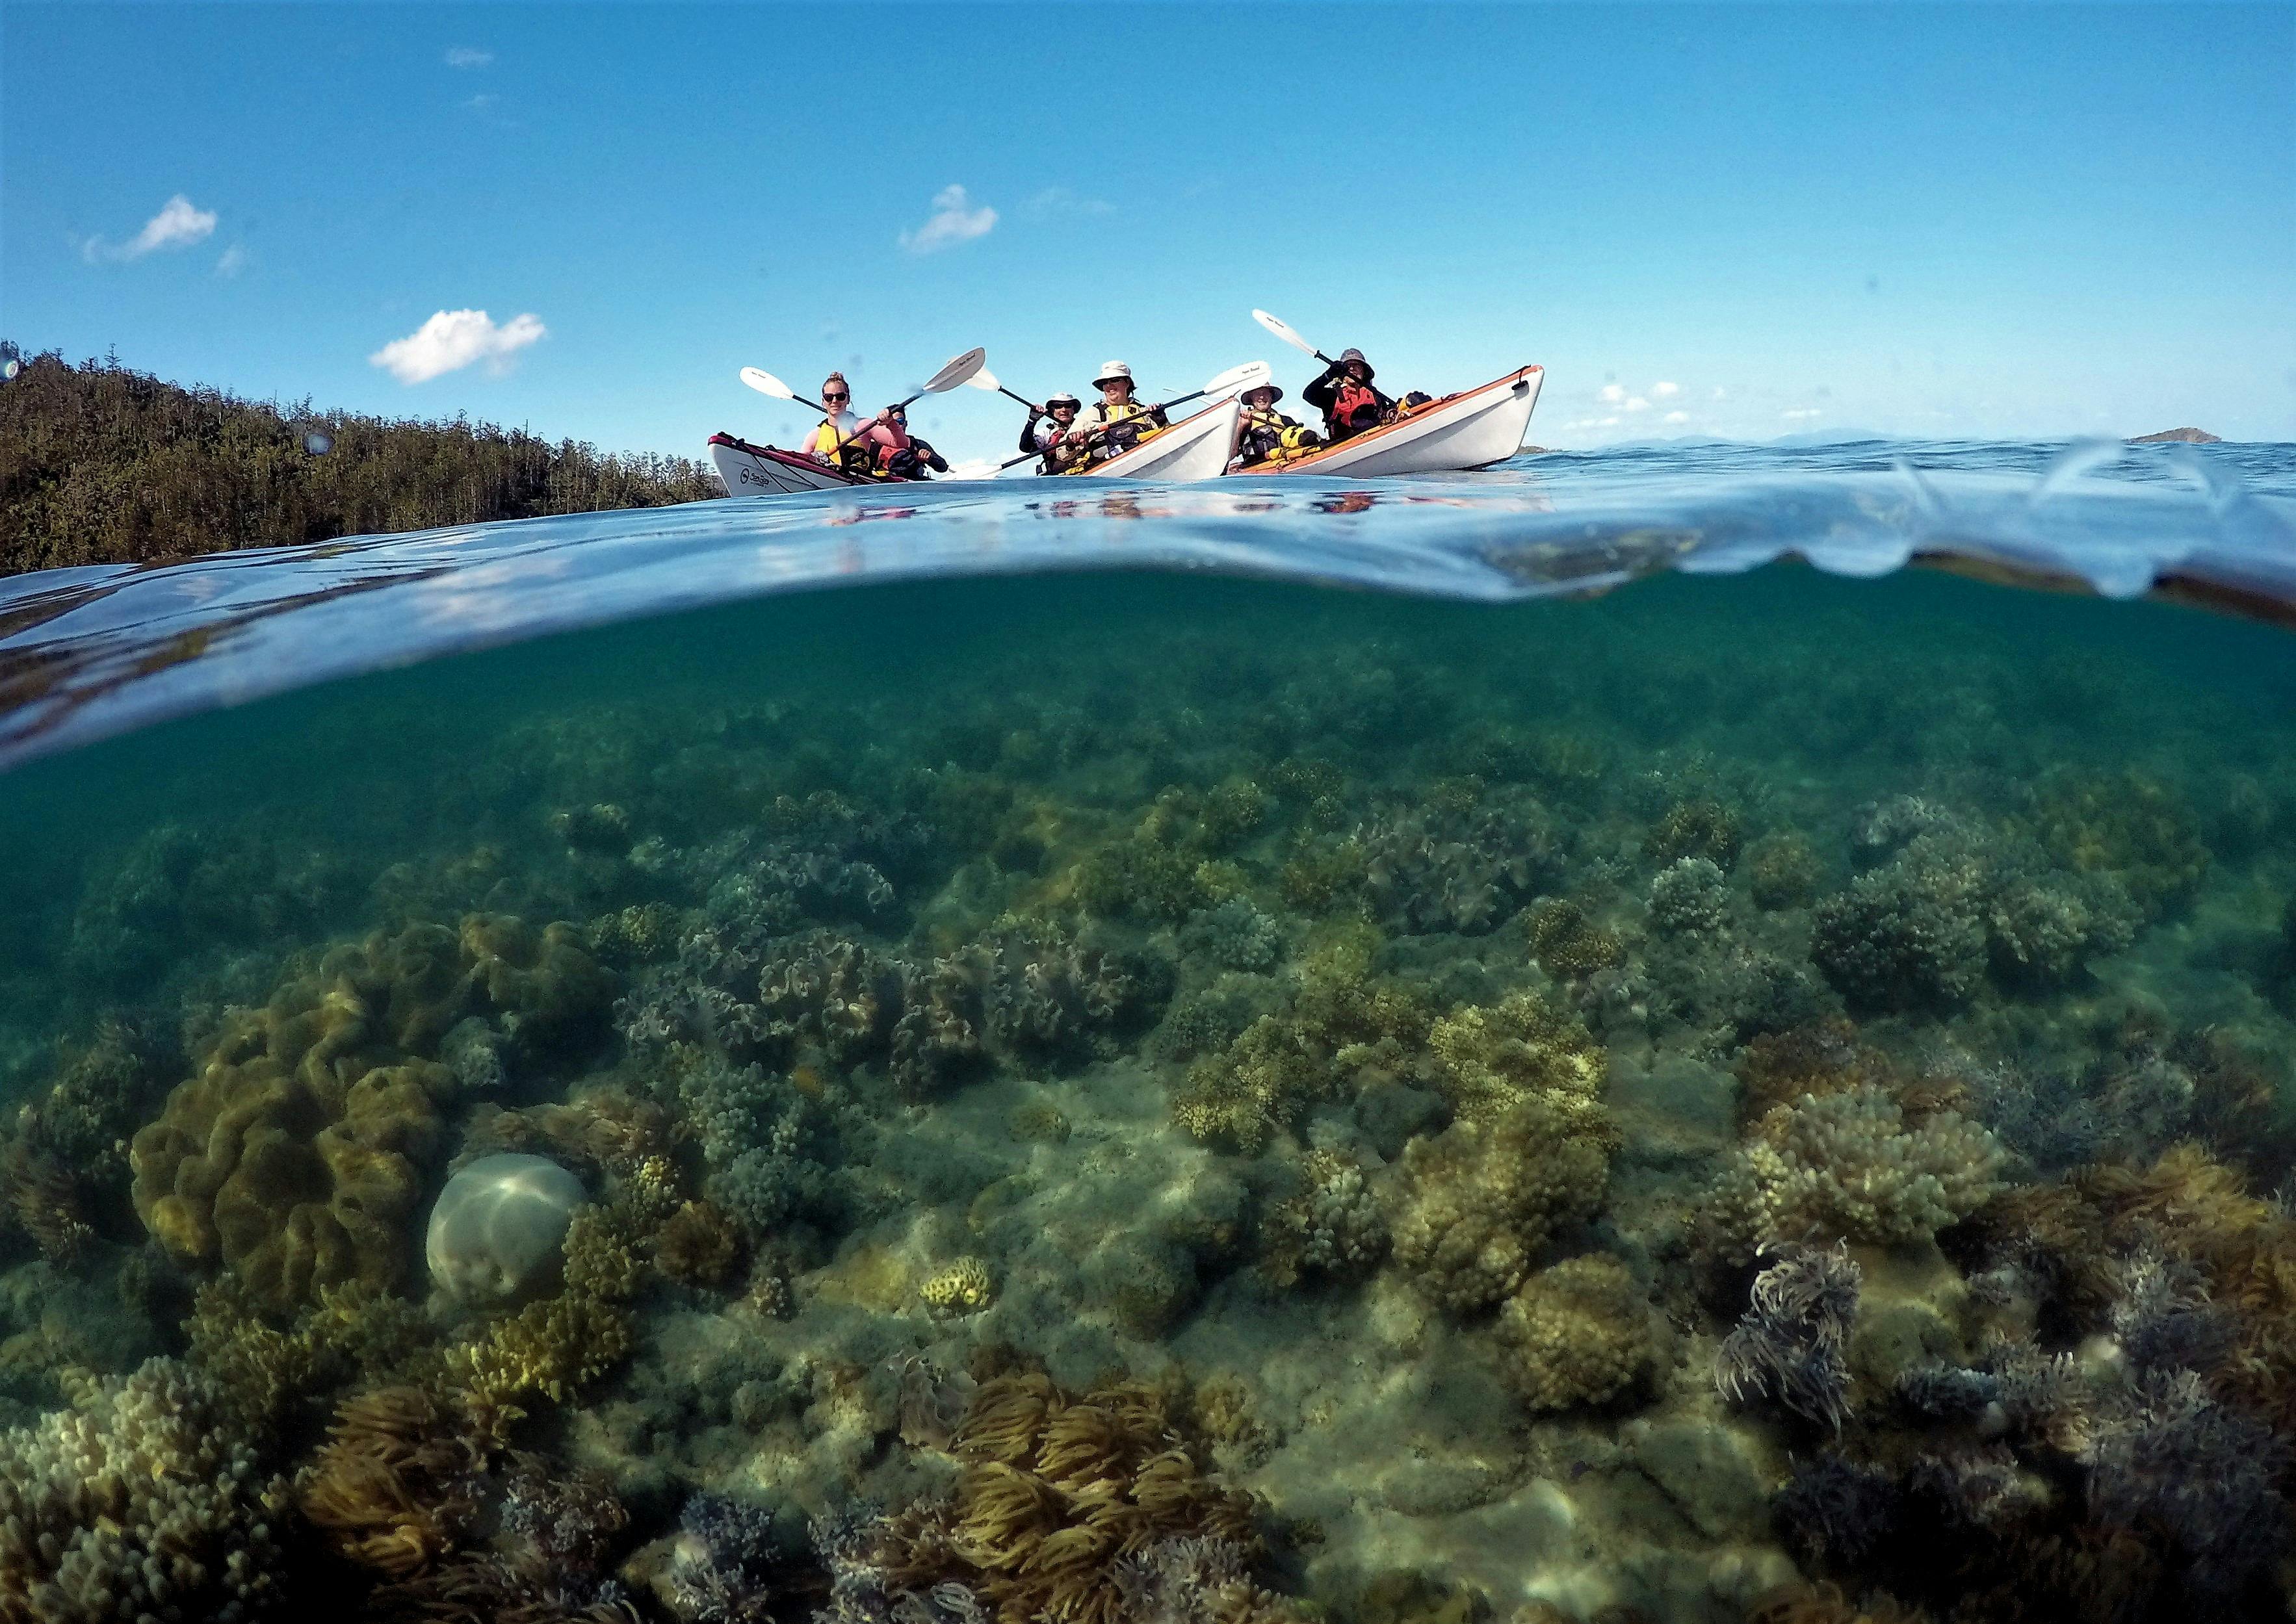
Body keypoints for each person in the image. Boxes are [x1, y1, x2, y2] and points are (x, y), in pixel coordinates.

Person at [1070, 361, 1168, 465]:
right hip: (1104, 471)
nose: (1109, 385)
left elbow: (1168, 440)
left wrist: (1161, 420)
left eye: (1115, 380)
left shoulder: (1145, 412)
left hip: (1145, 461)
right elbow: (1062, 454)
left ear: (1127, 383)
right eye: (1105, 382)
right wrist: (1071, 443)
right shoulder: (1091, 414)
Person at [1303, 348, 1395, 443]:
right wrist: (1328, 375)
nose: (1352, 369)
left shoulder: (1375, 396)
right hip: (1345, 447)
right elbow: (1308, 394)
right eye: (1347, 366)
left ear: (1364, 371)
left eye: (1356, 365)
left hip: (1375, 440)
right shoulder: (1332, 396)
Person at [1230, 381, 1319, 469]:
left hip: (1283, 466)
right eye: (1257, 394)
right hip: (1255, 472)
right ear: (1252, 399)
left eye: (1265, 393)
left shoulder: (1286, 421)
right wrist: (1241, 426)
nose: (1262, 397)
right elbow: (1231, 455)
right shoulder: (1244, 424)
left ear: (1271, 397)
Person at [854, 404, 949, 480]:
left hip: (914, 485)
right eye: (893, 422)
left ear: (906, 423)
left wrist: (930, 458)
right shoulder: (876, 447)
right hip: (886, 485)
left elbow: (943, 468)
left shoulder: (917, 444)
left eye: (900, 421)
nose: (896, 425)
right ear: (885, 424)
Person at [1019, 392, 1088, 474]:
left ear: (1074, 410)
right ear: (1052, 411)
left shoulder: (1085, 425)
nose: (1064, 410)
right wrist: (1032, 421)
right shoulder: (1047, 433)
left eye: (1068, 406)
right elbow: (1026, 447)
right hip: (1061, 479)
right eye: (1058, 407)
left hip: (1089, 469)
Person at [805, 372, 863, 467]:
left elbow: (896, 442)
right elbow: (802, 464)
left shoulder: (863, 425)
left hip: (861, 479)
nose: (835, 401)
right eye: (829, 397)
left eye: (840, 397)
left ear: (848, 399)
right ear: (823, 401)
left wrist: (890, 423)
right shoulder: (814, 436)